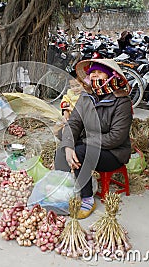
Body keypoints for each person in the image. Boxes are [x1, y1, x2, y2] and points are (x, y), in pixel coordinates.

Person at [54, 59, 133, 219]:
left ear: (112, 76)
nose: (95, 76)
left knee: (80, 151)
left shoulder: (121, 102)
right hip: (90, 146)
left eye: (100, 72)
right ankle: (64, 191)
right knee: (64, 146)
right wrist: (68, 146)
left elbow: (116, 138)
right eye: (92, 73)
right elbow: (74, 122)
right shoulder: (86, 97)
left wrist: (84, 142)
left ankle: (87, 198)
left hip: (113, 153)